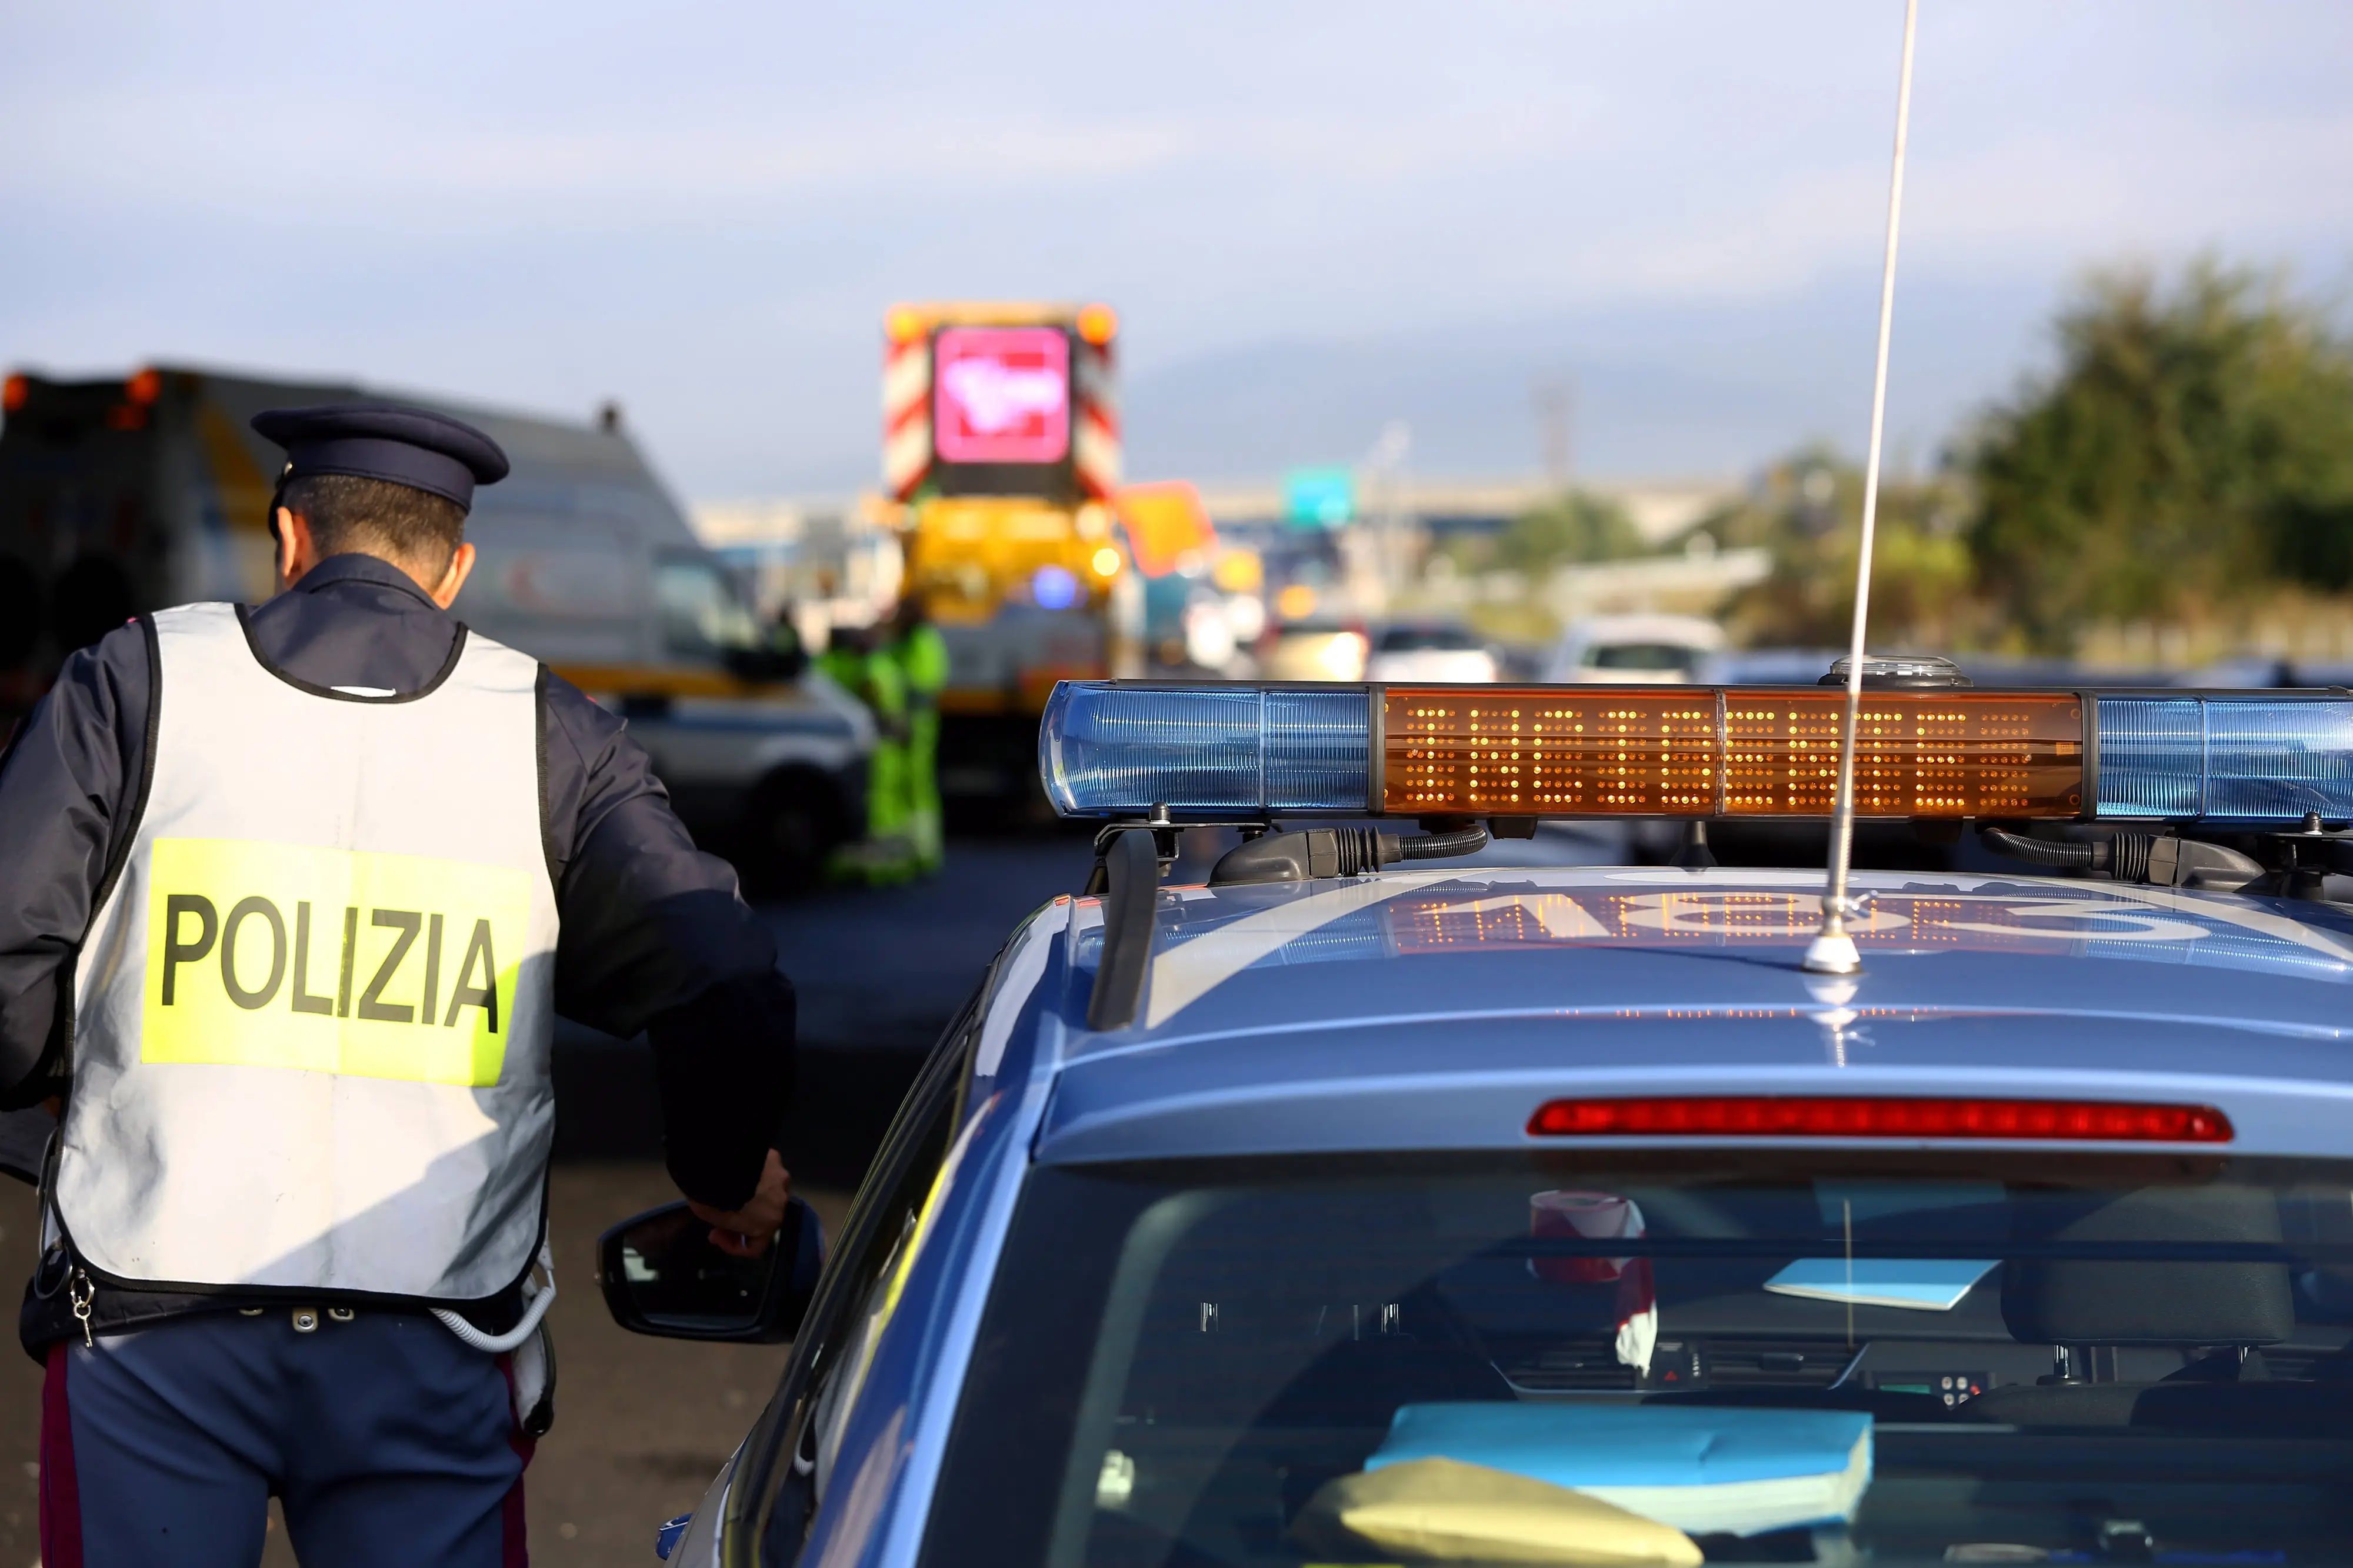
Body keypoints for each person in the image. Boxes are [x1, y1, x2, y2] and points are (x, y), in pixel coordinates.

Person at [0, 404, 798, 1566]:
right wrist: (721, 1181)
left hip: (151, 1318)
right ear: (456, 564)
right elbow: (722, 971)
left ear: (288, 536)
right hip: (433, 1342)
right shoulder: (547, 733)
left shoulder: (135, 685)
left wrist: (63, 1101)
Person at [888, 596, 949, 875]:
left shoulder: (921, 641)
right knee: (915, 788)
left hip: (917, 724)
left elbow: (920, 685)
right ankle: (918, 851)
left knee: (918, 788)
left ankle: (923, 851)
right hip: (915, 722)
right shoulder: (916, 640)